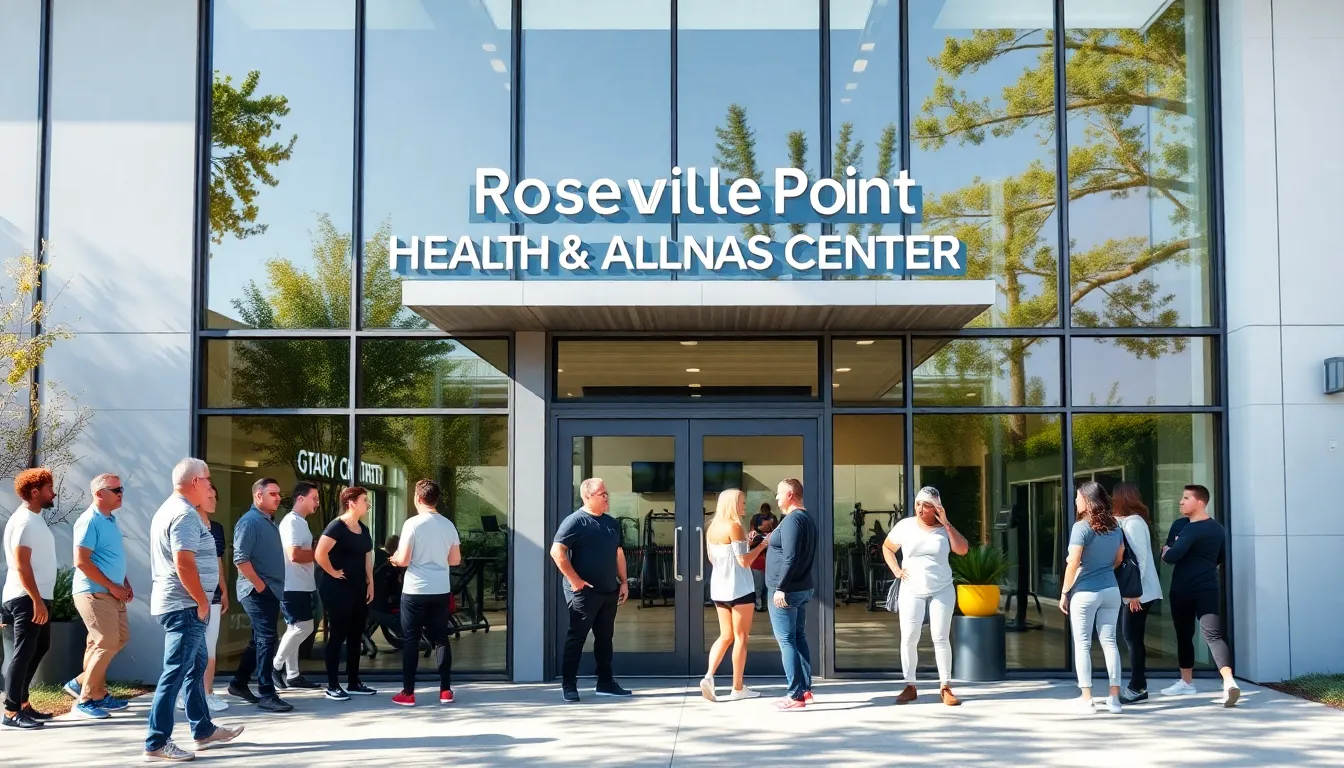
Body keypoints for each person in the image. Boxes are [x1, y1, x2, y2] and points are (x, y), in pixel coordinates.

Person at [145, 458, 243, 762]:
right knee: (174, 673)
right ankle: (156, 742)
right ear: (196, 482)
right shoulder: (185, 515)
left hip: (184, 605)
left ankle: (203, 730)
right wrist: (202, 601)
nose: (211, 486)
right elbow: (183, 562)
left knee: (195, 667)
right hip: (185, 606)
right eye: (208, 480)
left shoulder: (171, 509)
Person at [882, 486, 968, 707]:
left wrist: (947, 523)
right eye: (918, 504)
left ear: (936, 508)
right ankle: (910, 685)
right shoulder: (906, 526)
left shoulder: (944, 530)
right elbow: (887, 547)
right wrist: (896, 570)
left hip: (942, 589)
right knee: (909, 637)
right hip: (911, 589)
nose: (920, 509)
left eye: (926, 505)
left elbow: (962, 550)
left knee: (940, 637)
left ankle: (945, 686)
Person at [550, 477, 633, 703]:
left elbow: (618, 553)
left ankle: (605, 682)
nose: (606, 497)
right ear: (587, 496)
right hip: (583, 593)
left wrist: (623, 582)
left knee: (605, 638)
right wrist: (575, 580)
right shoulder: (574, 521)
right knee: (576, 637)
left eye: (607, 493)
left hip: (609, 590)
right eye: (601, 494)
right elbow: (557, 552)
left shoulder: (611, 523)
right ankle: (569, 685)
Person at [1160, 484, 1239, 706]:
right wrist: (1171, 551)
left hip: (1187, 588)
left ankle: (1209, 683)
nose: (1181, 501)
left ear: (1200, 502)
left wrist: (1170, 551)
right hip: (1204, 587)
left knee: (1201, 635)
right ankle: (1219, 682)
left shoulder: (1194, 529)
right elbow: (1219, 558)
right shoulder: (1212, 528)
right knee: (1200, 635)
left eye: (1186, 498)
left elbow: (1170, 555)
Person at [388, 479, 462, 707]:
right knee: (441, 639)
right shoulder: (448, 525)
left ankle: (408, 693)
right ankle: (446, 691)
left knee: (410, 640)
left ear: (418, 498)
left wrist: (393, 560)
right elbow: (455, 560)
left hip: (415, 590)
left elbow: (404, 559)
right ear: (436, 499)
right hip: (440, 589)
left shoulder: (413, 524)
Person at [66, 473, 134, 719]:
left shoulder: (110, 520)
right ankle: (86, 699)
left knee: (115, 640)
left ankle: (87, 687)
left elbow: (111, 557)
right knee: (105, 641)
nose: (121, 493)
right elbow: (81, 562)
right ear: (99, 494)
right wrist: (112, 586)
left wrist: (124, 582)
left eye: (121, 489)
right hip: (93, 592)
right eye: (116, 490)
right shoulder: (88, 521)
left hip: (112, 591)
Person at [228, 478, 293, 712]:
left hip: (268, 590)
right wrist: (260, 586)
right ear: (258, 496)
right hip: (257, 592)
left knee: (258, 641)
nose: (278, 497)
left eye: (278, 493)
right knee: (267, 639)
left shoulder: (266, 521)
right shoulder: (250, 522)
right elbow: (240, 559)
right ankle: (267, 693)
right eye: (272, 494)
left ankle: (238, 683)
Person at [1061, 481, 1126, 715]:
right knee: (1110, 643)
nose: (1076, 501)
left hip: (1085, 592)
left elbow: (1073, 561)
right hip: (1111, 589)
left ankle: (1087, 698)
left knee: (1083, 644)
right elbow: (1118, 559)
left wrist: (1065, 591)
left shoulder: (1081, 527)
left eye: (1078, 497)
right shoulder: (1115, 526)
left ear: (1087, 501)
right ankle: (1114, 699)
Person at [699, 489, 769, 702]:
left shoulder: (712, 528)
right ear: (732, 504)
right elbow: (744, 562)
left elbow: (715, 558)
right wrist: (762, 544)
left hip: (719, 589)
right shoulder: (735, 526)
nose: (744, 506)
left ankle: (709, 676)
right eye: (742, 502)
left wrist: (747, 543)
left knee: (725, 635)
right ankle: (737, 688)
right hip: (740, 588)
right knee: (741, 638)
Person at [1, 468, 58, 730]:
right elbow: (22, 565)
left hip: (36, 596)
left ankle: (23, 703)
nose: (53, 493)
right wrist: (36, 600)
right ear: (35, 493)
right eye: (49, 488)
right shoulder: (25, 521)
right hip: (26, 597)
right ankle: (11, 711)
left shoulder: (34, 518)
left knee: (39, 647)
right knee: (24, 653)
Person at [314, 486, 377, 701]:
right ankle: (332, 684)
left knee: (355, 634)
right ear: (351, 502)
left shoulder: (363, 529)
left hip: (359, 587)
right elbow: (319, 553)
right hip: (337, 588)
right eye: (364, 500)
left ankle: (353, 681)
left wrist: (371, 583)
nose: (367, 504)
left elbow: (367, 557)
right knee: (338, 633)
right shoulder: (336, 527)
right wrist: (332, 572)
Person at [766, 477, 817, 711]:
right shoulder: (806, 519)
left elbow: (791, 557)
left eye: (778, 494)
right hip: (802, 588)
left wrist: (781, 588)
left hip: (788, 591)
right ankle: (805, 690)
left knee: (787, 641)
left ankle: (795, 695)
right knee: (798, 637)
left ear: (789, 494)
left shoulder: (793, 521)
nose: (776, 498)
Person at [178, 480, 229, 712]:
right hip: (193, 596)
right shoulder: (189, 523)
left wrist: (224, 589)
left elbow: (218, 560)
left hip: (214, 595)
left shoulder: (216, 528)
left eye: (215, 496)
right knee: (191, 646)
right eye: (210, 496)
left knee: (210, 645)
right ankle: (184, 693)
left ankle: (207, 692)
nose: (214, 500)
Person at [1112, 481, 1162, 705]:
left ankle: (1137, 687)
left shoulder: (1134, 523)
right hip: (1138, 592)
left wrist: (1134, 594)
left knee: (1132, 638)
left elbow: (1140, 560)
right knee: (1132, 637)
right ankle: (1137, 685)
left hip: (1140, 593)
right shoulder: (1130, 521)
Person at [272, 482, 321, 691]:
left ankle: (293, 675)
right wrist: (319, 554)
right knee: (304, 627)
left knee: (295, 628)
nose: (317, 503)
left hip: (301, 585)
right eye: (314, 498)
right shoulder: (292, 522)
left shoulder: (300, 522)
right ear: (300, 498)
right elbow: (294, 554)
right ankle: (275, 666)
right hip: (292, 586)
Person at [748, 503, 776, 612]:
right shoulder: (756, 535)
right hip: (760, 562)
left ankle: (762, 605)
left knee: (762, 586)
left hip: (763, 562)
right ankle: (761, 605)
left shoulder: (769, 534)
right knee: (760, 586)